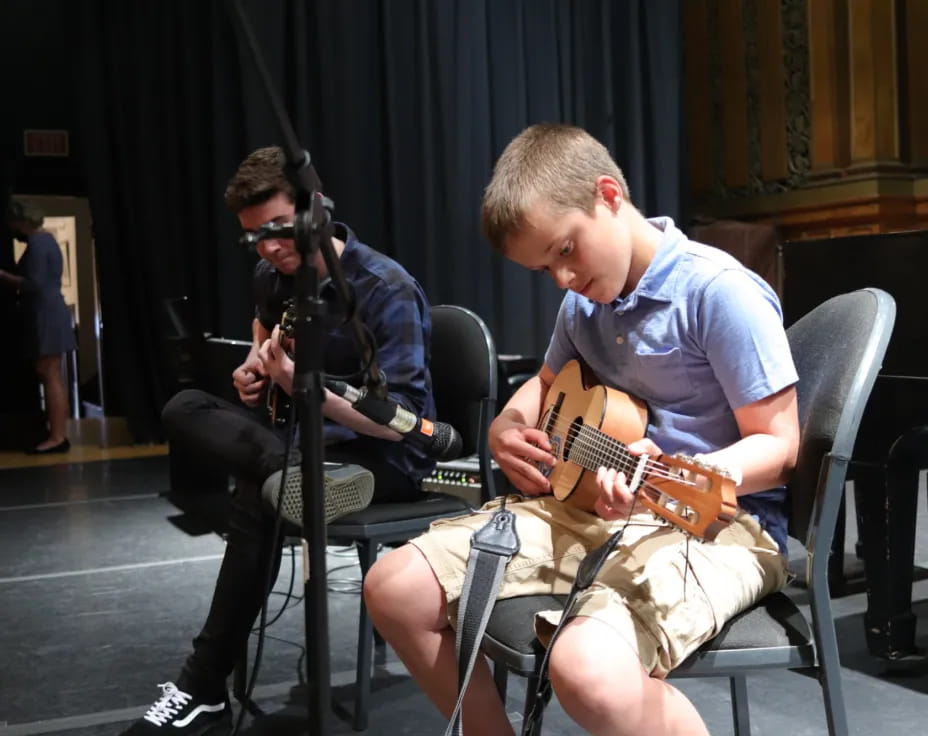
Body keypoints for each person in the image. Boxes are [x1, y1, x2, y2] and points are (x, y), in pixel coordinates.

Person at [364, 123, 800, 736]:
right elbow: (542, 387)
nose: (563, 280)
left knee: (588, 673)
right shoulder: (584, 305)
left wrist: (693, 471)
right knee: (393, 588)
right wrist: (508, 426)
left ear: (609, 196)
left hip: (717, 521)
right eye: (545, 269)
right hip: (597, 506)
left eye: (565, 251)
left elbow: (781, 449)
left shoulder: (717, 292)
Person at [123, 147, 436, 734]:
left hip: (383, 458)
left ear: (315, 209)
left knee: (257, 495)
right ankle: (289, 471)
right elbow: (263, 337)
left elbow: (406, 421)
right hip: (304, 448)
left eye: (276, 230)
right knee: (184, 406)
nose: (267, 248)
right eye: (253, 238)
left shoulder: (385, 287)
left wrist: (306, 388)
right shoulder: (273, 276)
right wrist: (254, 369)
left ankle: (202, 684)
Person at [1, 199, 76, 453]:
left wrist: (1, 275)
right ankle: (57, 434)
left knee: (49, 372)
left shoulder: (38, 243)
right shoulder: (47, 240)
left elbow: (33, 283)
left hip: (45, 311)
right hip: (49, 309)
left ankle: (56, 437)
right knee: (50, 372)